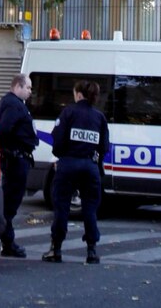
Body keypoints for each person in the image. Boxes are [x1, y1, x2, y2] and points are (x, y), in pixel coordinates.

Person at [42, 80, 110, 265]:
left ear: (79, 94)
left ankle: (56, 249)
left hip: (68, 165)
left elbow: (57, 142)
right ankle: (92, 251)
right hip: (90, 166)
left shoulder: (68, 112)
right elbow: (104, 146)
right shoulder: (99, 117)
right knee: (90, 208)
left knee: (62, 206)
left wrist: (63, 156)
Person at [0, 73, 39, 258]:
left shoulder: (15, 104)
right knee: (11, 204)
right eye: (28, 87)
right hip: (15, 159)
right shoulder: (13, 104)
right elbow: (4, 130)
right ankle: (8, 242)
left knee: (12, 202)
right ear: (18, 87)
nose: (30, 91)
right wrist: (12, 150)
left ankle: (8, 241)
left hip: (17, 158)